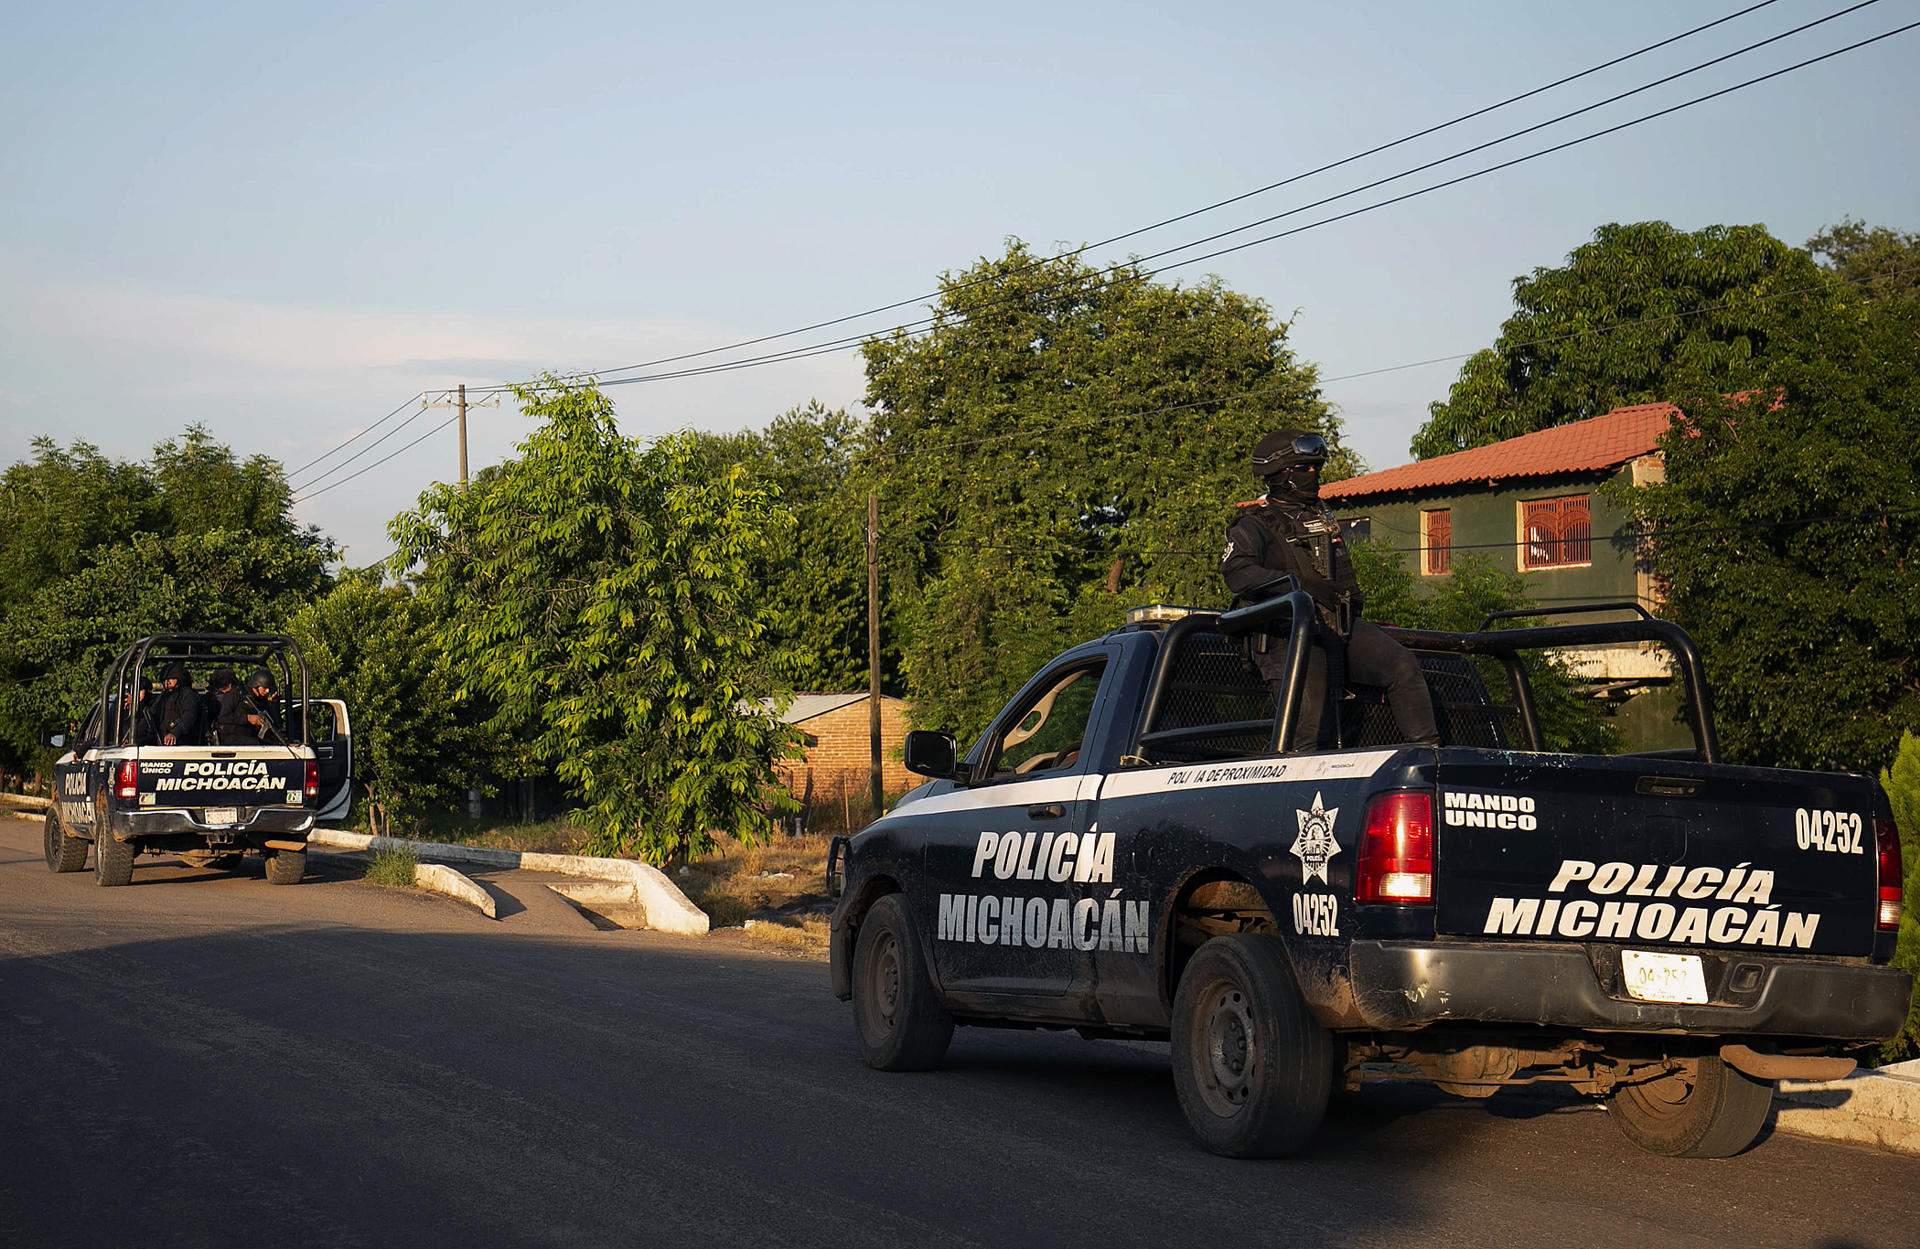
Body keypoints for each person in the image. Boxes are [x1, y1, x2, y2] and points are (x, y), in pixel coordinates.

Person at [1221, 429, 1440, 752]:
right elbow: (1238, 574)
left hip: (1337, 625)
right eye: (1304, 469)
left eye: (1316, 469)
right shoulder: (1254, 524)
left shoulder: (1320, 516)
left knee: (1402, 666)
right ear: (1279, 475)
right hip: (1289, 634)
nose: (1314, 475)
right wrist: (1298, 587)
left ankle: (1428, 757)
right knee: (1309, 727)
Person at [155, 662, 204, 747]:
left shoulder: (188, 695)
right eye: (165, 680)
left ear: (179, 679)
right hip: (162, 741)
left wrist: (175, 732)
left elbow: (189, 716)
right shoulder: (162, 697)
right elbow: (152, 713)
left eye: (171, 679)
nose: (167, 682)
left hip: (183, 742)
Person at [236, 669, 283, 744]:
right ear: (255, 685)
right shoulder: (243, 699)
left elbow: (274, 723)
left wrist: (274, 704)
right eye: (264, 688)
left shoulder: (262, 701)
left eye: (269, 688)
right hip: (244, 740)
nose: (267, 691)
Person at [206, 667, 245, 745]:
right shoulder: (232, 696)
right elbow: (224, 717)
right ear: (230, 685)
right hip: (229, 738)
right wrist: (247, 718)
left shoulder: (210, 698)